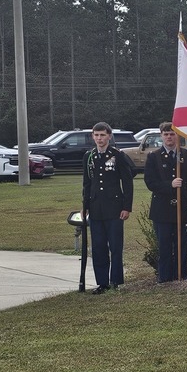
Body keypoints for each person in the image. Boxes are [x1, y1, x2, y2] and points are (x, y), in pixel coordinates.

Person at [144, 121, 187, 282]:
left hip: (183, 208)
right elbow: (150, 182)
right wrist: (169, 185)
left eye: (172, 134)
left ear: (177, 135)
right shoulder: (153, 157)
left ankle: (181, 275)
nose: (169, 137)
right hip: (162, 210)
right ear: (161, 136)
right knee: (164, 245)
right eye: (166, 134)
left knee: (182, 245)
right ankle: (165, 278)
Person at [82, 122, 134, 294]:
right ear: (92, 137)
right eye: (96, 135)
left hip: (115, 208)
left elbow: (127, 182)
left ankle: (117, 280)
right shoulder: (89, 157)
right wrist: (85, 206)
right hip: (96, 208)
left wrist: (127, 207)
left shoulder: (117, 155)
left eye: (102, 135)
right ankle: (102, 282)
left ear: (109, 136)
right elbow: (87, 183)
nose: (99, 138)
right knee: (98, 247)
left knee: (115, 246)